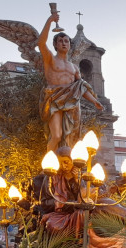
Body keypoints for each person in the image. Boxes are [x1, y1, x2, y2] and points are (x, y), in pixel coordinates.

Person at [38, 12, 104, 152]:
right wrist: (50, 20)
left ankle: (66, 164)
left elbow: (81, 87)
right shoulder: (50, 59)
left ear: (70, 45)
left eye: (66, 41)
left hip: (72, 103)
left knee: (71, 137)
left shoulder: (74, 67)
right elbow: (41, 42)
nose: (64, 43)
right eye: (60, 41)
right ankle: (49, 167)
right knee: (56, 135)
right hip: (54, 100)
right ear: (55, 44)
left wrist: (94, 101)